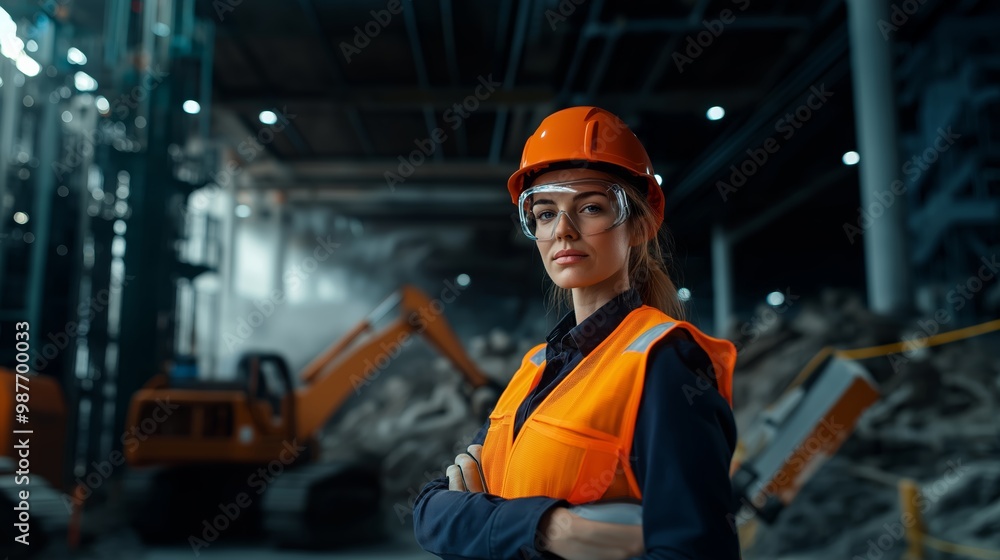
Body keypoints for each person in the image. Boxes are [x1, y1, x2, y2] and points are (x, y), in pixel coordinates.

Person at [413, 106, 740, 559]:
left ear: (640, 226)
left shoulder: (664, 364)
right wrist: (550, 528)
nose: (563, 231)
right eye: (545, 214)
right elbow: (430, 510)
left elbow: (695, 551)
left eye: (589, 208)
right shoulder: (537, 367)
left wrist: (482, 520)